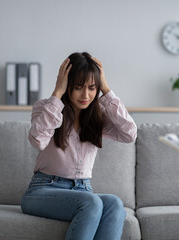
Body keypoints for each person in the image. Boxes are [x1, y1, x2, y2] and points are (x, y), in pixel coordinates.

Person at [21, 52, 137, 240]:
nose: (86, 95)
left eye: (92, 88)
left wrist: (106, 89)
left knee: (115, 204)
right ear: (67, 85)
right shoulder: (45, 108)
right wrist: (57, 93)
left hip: (82, 190)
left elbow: (130, 133)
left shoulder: (97, 117)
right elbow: (38, 140)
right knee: (91, 203)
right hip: (43, 190)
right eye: (78, 87)